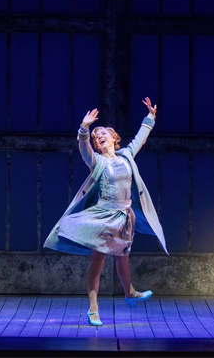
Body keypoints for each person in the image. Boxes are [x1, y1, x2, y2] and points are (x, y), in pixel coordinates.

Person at [44, 98, 168, 326]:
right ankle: (93, 309)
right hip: (104, 216)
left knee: (123, 258)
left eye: (103, 134)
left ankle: (130, 293)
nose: (99, 137)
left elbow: (140, 138)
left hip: (125, 217)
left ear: (113, 138)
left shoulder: (127, 155)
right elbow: (84, 150)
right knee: (98, 261)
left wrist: (150, 118)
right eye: (96, 137)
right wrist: (84, 129)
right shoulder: (98, 161)